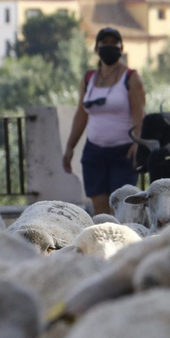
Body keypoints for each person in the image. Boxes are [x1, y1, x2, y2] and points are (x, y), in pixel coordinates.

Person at [63, 27, 146, 215]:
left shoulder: (131, 77)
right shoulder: (88, 78)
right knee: (99, 207)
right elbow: (81, 115)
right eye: (105, 43)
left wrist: (137, 143)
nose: (109, 47)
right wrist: (70, 147)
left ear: (121, 47)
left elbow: (139, 113)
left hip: (124, 152)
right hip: (94, 151)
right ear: (96, 48)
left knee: (121, 206)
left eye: (114, 43)